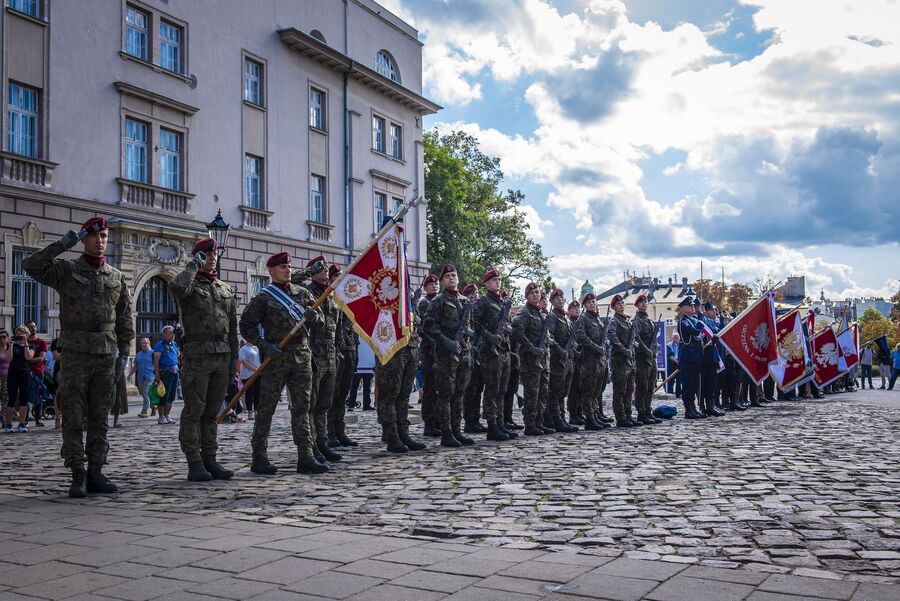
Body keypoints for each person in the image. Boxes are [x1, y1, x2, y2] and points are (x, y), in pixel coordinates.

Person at [22, 216, 134, 497]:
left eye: (104, 236)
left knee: (99, 418)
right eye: (94, 236)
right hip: (75, 355)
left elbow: (124, 319)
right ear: (85, 238)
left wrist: (124, 352)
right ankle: (77, 474)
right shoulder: (67, 270)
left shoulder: (116, 277)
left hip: (106, 356)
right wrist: (66, 240)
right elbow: (31, 265)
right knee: (73, 417)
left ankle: (96, 471)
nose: (100, 241)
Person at [239, 252, 326, 475]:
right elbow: (246, 326)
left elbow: (321, 323)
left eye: (288, 266)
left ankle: (305, 455)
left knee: (302, 407)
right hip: (275, 357)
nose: (287, 270)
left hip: (301, 356)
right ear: (270, 271)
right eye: (281, 267)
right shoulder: (264, 298)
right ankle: (259, 456)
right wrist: (263, 344)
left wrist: (313, 317)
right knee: (266, 408)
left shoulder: (302, 293)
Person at [170, 238, 239, 482]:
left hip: (221, 357)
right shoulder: (190, 284)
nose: (212, 257)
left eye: (214, 253)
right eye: (206, 254)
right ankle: (194, 461)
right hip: (197, 356)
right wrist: (192, 266)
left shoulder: (225, 289)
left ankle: (210, 457)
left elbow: (232, 330)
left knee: (212, 412)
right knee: (194, 411)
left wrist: (233, 362)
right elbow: (177, 288)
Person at [424, 264, 475, 447]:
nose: (452, 278)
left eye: (454, 275)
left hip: (463, 353)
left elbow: (470, 326)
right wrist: (446, 341)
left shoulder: (464, 301)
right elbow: (428, 326)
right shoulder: (438, 301)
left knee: (460, 393)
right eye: (448, 276)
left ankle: (457, 430)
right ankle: (446, 433)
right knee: (445, 394)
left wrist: (469, 335)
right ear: (444, 281)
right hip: (446, 355)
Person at [302, 255, 342, 464]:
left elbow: (337, 324)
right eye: (321, 267)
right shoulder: (307, 292)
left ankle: (323, 442)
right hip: (314, 356)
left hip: (331, 355)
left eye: (327, 267)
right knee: (312, 404)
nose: (326, 269)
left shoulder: (331, 294)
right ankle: (312, 446)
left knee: (325, 403)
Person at [374, 302, 427, 453]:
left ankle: (404, 433)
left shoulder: (407, 295)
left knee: (404, 395)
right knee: (390, 395)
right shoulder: (383, 294)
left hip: (410, 347)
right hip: (392, 348)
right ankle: (392, 436)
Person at [473, 269, 517, 442]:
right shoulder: (483, 301)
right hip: (490, 351)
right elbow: (474, 322)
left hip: (504, 350)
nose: (497, 282)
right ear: (486, 283)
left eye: (499, 279)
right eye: (493, 280)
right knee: (492, 389)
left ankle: (500, 423)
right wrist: (488, 335)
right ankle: (492, 426)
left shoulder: (501, 303)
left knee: (502, 390)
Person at [512, 282, 552, 436]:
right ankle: (530, 424)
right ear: (526, 296)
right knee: (532, 393)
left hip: (543, 359)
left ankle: (539, 422)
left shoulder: (541, 313)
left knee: (543, 392)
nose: (536, 295)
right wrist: (531, 347)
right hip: (530, 360)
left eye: (537, 292)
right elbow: (517, 333)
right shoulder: (525, 312)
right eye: (532, 293)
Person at [328, 264, 358, 447]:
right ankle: (329, 432)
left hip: (350, 349)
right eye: (337, 275)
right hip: (335, 350)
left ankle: (340, 430)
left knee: (343, 394)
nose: (341, 278)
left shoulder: (349, 298)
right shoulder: (329, 298)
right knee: (332, 393)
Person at [546, 288, 578, 433]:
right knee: (556, 391)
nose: (560, 299)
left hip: (568, 359)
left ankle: (561, 418)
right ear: (552, 301)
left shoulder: (565, 318)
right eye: (556, 298)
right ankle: (557, 420)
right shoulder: (552, 317)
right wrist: (560, 350)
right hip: (557, 359)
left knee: (564, 391)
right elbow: (549, 337)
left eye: (561, 297)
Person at [575, 293, 608, 431]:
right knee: (588, 391)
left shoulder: (598, 320)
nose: (591, 304)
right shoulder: (583, 319)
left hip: (599, 360)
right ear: (584, 305)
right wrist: (596, 347)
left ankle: (595, 415)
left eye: (593, 302)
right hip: (589, 359)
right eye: (588, 303)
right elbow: (580, 336)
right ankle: (589, 418)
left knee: (596, 391)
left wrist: (604, 346)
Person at [606, 294, 639, 427]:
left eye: (623, 303)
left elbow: (633, 339)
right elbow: (613, 338)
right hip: (619, 360)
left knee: (629, 390)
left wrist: (632, 347)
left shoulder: (628, 320)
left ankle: (628, 415)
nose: (621, 305)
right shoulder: (614, 322)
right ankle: (621, 418)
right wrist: (622, 349)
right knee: (620, 390)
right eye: (618, 304)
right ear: (614, 307)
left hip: (630, 360)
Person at [417, 273, 440, 436]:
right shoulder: (424, 303)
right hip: (429, 351)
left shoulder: (440, 302)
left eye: (437, 283)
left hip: (441, 350)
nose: (434, 286)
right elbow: (425, 328)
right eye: (431, 284)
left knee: (441, 388)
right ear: (425, 287)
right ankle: (429, 423)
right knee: (430, 388)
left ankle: (438, 420)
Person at [632, 295, 661, 425]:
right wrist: (646, 349)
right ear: (637, 305)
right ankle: (641, 413)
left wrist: (654, 348)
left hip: (651, 356)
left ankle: (648, 410)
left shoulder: (648, 319)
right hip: (642, 358)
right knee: (642, 386)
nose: (644, 304)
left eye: (645, 302)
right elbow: (636, 338)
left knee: (650, 385)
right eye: (641, 302)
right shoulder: (637, 320)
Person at [676, 296, 705, 419]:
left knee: (693, 384)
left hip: (696, 355)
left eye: (693, 305)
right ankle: (688, 409)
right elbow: (694, 331)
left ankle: (693, 407)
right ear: (682, 308)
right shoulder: (684, 321)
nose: (693, 307)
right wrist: (700, 326)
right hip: (688, 356)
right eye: (690, 305)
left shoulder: (693, 319)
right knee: (688, 384)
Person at [4, 326, 34, 433]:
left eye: (22, 333)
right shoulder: (10, 345)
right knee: (11, 399)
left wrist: (25, 343)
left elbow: (28, 357)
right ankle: (8, 424)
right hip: (13, 374)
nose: (20, 335)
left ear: (26, 334)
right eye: (18, 333)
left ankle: (22, 423)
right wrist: (11, 345)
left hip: (25, 374)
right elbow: (9, 358)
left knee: (23, 399)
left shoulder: (31, 345)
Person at [152, 326, 180, 425]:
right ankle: (161, 416)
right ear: (164, 334)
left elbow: (177, 356)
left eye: (172, 333)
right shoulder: (160, 345)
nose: (172, 335)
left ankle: (167, 416)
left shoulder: (174, 344)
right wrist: (157, 375)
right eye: (169, 333)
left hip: (175, 372)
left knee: (172, 396)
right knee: (163, 395)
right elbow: (156, 360)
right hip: (165, 373)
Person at [24, 321, 47, 426]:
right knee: (25, 394)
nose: (33, 328)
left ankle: (38, 418)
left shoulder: (41, 343)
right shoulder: (24, 343)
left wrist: (28, 360)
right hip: (25, 371)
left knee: (37, 394)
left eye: (34, 326)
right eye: (30, 327)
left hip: (38, 371)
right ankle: (25, 419)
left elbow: (41, 359)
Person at [130, 338, 155, 418]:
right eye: (142, 343)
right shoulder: (139, 354)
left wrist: (158, 376)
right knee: (145, 394)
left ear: (149, 343)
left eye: (145, 343)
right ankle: (153, 407)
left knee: (145, 393)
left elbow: (157, 365)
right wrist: (129, 374)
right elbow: (136, 366)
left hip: (150, 376)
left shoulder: (153, 353)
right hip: (140, 377)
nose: (143, 344)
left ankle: (144, 411)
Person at [238, 340, 261, 421]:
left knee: (257, 393)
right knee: (249, 393)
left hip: (258, 373)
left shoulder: (257, 348)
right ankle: (250, 412)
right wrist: (254, 369)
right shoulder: (243, 349)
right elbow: (243, 361)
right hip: (248, 374)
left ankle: (256, 411)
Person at [666, 333, 681, 397]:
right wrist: (677, 362)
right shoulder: (669, 345)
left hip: (679, 364)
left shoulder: (681, 345)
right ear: (672, 338)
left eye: (677, 337)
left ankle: (678, 393)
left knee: (679, 379)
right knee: (670, 379)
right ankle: (670, 393)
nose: (676, 339)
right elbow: (669, 356)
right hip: (672, 364)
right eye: (675, 337)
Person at [0, 330, 9, 431]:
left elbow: (11, 359)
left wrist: (9, 347)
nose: (2, 339)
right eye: (0, 337)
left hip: (7, 377)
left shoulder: (10, 348)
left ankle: (4, 421)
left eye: (4, 337)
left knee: (5, 400)